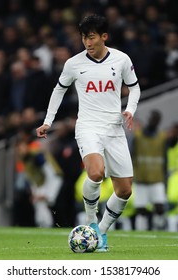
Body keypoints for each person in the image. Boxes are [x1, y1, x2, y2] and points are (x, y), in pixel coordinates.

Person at [36, 14, 141, 252]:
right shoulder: (74, 64)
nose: (87, 43)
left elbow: (134, 88)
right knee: (95, 173)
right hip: (88, 126)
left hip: (114, 129)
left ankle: (100, 232)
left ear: (104, 36)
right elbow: (58, 90)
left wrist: (130, 110)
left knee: (124, 190)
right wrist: (47, 121)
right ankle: (91, 223)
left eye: (92, 37)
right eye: (84, 37)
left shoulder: (122, 59)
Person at [131, 110, 167, 230]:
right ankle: (141, 232)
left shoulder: (162, 137)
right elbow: (132, 154)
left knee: (160, 207)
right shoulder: (138, 136)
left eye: (156, 119)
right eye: (153, 118)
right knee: (140, 208)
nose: (154, 121)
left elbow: (165, 158)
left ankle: (159, 229)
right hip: (141, 178)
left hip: (157, 178)